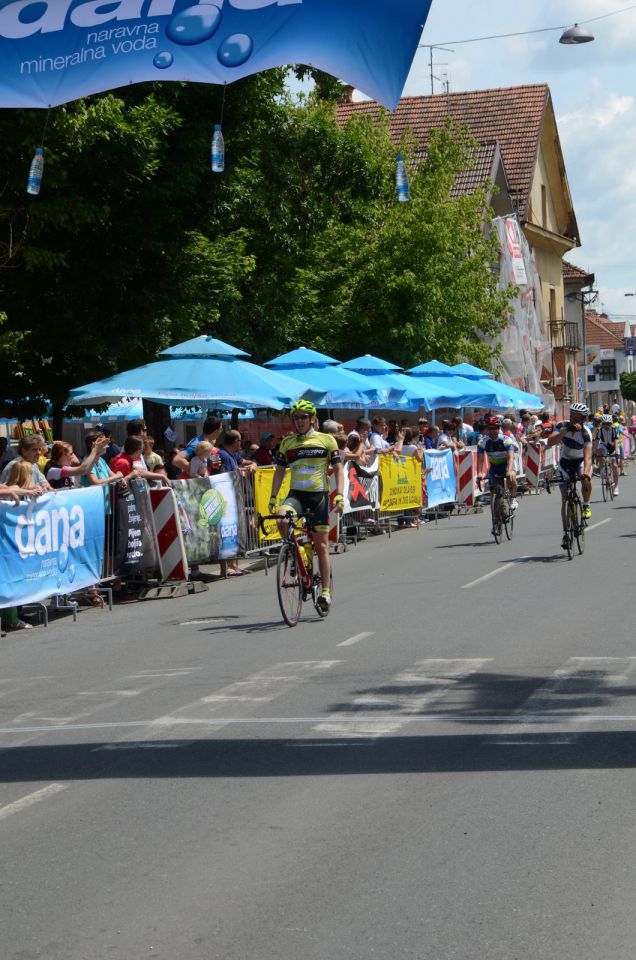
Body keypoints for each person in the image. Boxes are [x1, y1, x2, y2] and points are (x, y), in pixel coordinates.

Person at [268, 399, 344, 612]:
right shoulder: (288, 443)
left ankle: (326, 593)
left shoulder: (327, 440)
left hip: (318, 498)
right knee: (282, 519)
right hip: (296, 497)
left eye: (303, 417)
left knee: (321, 546)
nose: (299, 421)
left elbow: (338, 469)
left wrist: (339, 495)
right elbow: (280, 471)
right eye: (296, 417)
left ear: (312, 419)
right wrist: (273, 498)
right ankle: (295, 553)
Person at [546, 402, 593, 551]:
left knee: (586, 478)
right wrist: (564, 432)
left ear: (584, 419)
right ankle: (566, 534)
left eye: (578, 419)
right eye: (572, 417)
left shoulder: (586, 433)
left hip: (580, 462)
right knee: (565, 499)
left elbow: (588, 457)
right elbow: (549, 442)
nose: (574, 421)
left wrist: (585, 473)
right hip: (565, 463)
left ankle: (586, 504)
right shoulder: (562, 426)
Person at [476, 415, 518, 520]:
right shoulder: (482, 442)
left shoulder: (506, 440)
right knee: (495, 491)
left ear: (499, 428)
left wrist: (509, 470)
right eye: (490, 428)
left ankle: (513, 498)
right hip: (494, 466)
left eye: (495, 428)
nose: (493, 431)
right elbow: (480, 460)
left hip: (507, 464)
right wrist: (479, 473)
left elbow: (510, 457)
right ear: (487, 429)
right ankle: (496, 519)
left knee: (512, 477)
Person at [43, 436, 111, 489]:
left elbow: (87, 470)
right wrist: (94, 450)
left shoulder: (65, 467)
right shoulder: (54, 470)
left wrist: (97, 453)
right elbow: (83, 470)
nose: (73, 456)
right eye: (71, 453)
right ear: (63, 454)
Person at [593, 414, 620, 495]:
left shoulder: (614, 430)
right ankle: (602, 469)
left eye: (609, 424)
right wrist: (594, 452)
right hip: (604, 446)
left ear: (611, 423)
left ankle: (616, 487)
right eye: (605, 424)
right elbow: (597, 442)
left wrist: (616, 452)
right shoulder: (599, 430)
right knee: (600, 451)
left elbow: (616, 441)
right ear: (602, 424)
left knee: (614, 466)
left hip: (613, 447)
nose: (607, 425)